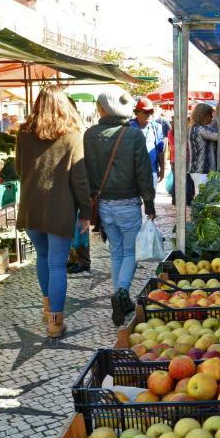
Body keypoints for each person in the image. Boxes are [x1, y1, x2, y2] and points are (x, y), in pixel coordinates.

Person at [15, 85, 91, 337]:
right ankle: (55, 323)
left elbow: (18, 167)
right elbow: (80, 179)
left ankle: (48, 311)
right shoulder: (72, 135)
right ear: (64, 105)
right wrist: (86, 212)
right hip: (60, 208)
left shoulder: (23, 133)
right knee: (57, 264)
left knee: (44, 258)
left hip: (31, 207)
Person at [84, 86, 156, 325]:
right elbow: (144, 172)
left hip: (103, 204)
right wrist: (149, 203)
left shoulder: (90, 134)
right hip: (128, 204)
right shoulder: (134, 136)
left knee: (116, 251)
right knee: (130, 252)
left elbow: (86, 171)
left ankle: (119, 296)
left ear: (104, 108)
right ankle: (122, 291)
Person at [130, 97, 165, 187]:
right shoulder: (128, 127)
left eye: (151, 112)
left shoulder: (156, 127)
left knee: (150, 200)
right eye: (146, 112)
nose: (149, 114)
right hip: (132, 175)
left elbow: (160, 150)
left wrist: (162, 169)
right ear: (137, 112)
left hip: (151, 172)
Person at [188, 102, 220, 195]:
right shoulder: (201, 129)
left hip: (197, 170)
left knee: (200, 197)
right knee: (202, 200)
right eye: (210, 115)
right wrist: (217, 120)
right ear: (204, 115)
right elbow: (218, 135)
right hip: (202, 170)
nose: (212, 118)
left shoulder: (193, 128)